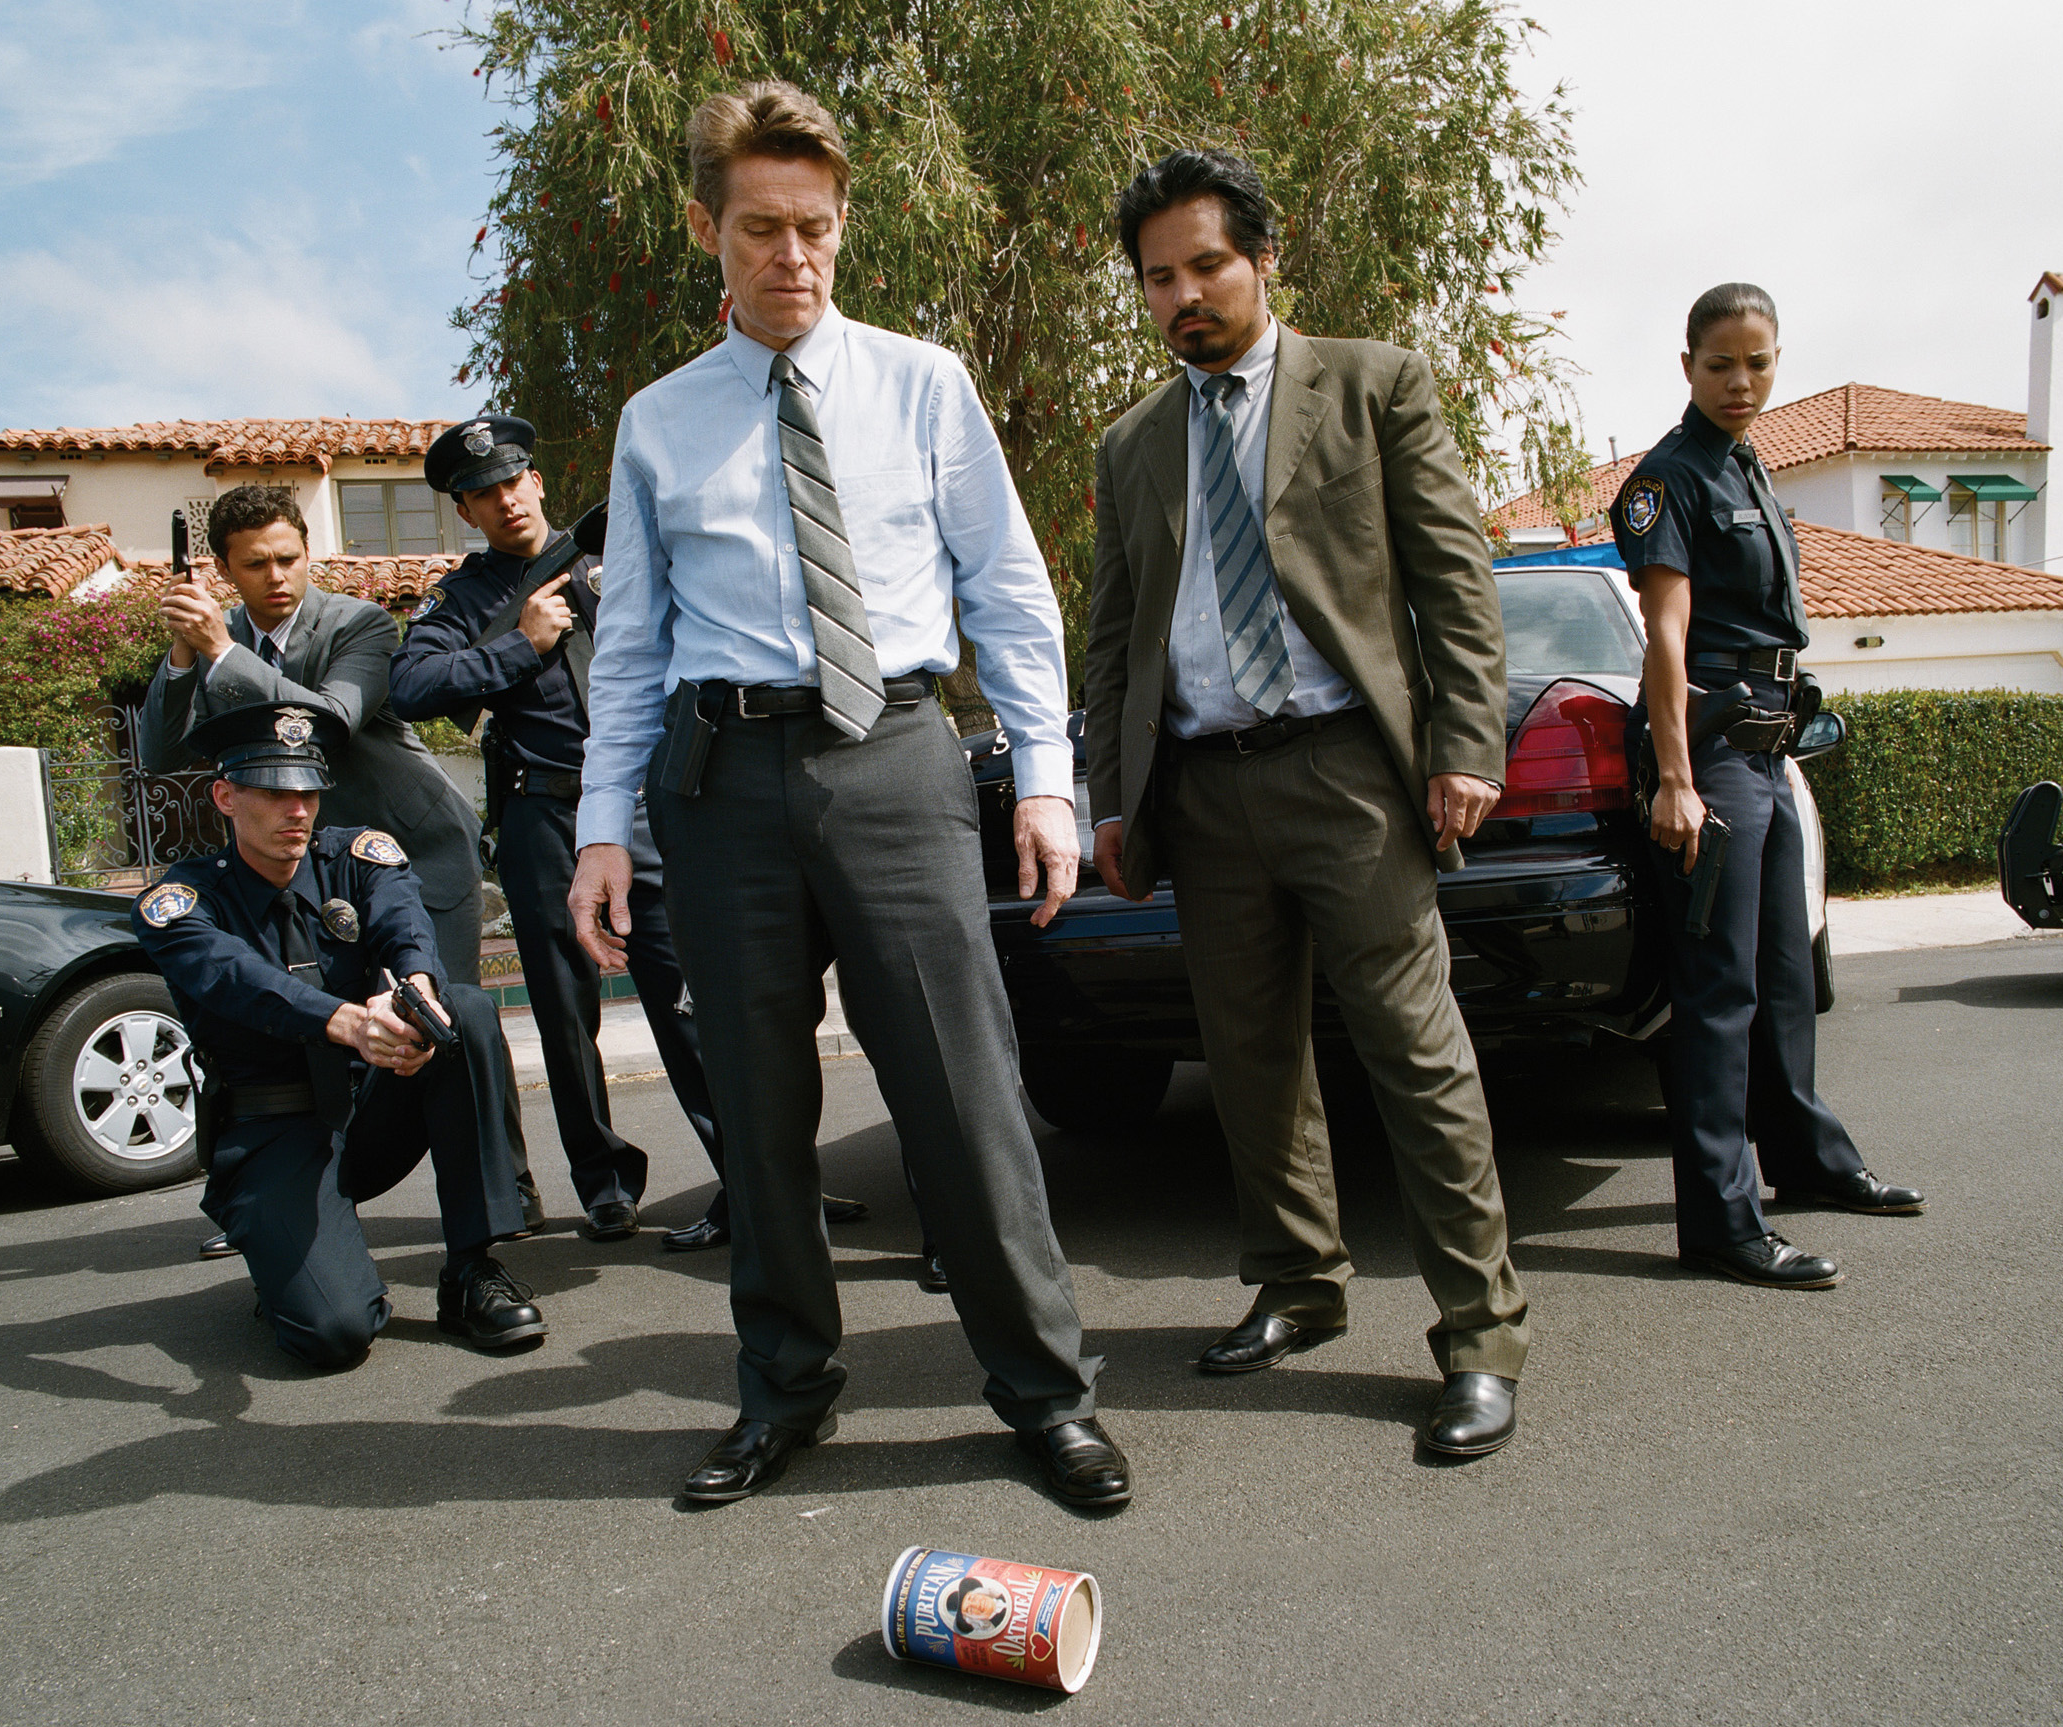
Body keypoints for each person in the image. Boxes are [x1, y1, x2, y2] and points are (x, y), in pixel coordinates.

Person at [568, 81, 1130, 1508]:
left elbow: (1009, 589)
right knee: (756, 1115)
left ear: (840, 225)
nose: (791, 255)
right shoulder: (657, 422)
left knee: (963, 1093)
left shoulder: (921, 384)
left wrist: (1046, 781)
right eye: (760, 227)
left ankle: (1044, 1392)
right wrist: (601, 827)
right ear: (707, 228)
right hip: (720, 783)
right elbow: (628, 645)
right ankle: (783, 1390)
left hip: (895, 756)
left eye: (814, 227)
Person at [1085, 148, 1528, 1459]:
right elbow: (1112, 637)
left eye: (1206, 264)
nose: (1183, 294)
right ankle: (1296, 1282)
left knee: (1415, 1052)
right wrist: (1113, 796)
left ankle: (1479, 1333)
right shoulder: (1133, 444)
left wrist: (1465, 743)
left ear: (1263, 257)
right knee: (1249, 1061)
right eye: (1157, 276)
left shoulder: (1373, 383)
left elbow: (1453, 581)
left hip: (1346, 776)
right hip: (1202, 786)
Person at [388, 416, 868, 1247]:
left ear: (536, 481)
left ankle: (756, 1184)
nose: (504, 501)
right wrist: (519, 647)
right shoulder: (462, 599)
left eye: (513, 481)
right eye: (482, 494)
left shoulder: (613, 558)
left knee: (690, 999)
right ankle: (605, 1184)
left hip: (648, 809)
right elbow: (411, 684)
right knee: (564, 1011)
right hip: (545, 815)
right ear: (464, 512)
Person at [1612, 282, 1925, 1289]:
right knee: (1719, 991)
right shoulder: (1670, 478)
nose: (1740, 382)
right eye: (1719, 365)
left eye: (1757, 363)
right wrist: (1674, 779)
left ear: (1776, 359)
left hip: (1765, 749)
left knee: (1786, 976)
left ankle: (1807, 1160)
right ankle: (1721, 1221)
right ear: (1687, 367)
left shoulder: (1747, 465)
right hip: (1708, 755)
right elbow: (1666, 638)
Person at [146, 484, 509, 1258]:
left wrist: (221, 654)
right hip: (310, 866)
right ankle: (286, 1196)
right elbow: (159, 752)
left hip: (413, 851)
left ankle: (500, 1191)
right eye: (256, 565)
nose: (277, 576)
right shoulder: (214, 633)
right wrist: (183, 652)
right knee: (299, 1026)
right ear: (225, 570)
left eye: (289, 558)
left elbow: (329, 722)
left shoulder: (358, 623)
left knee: (448, 1020)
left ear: (308, 552)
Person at [131, 700, 548, 1369]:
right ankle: (291, 1262)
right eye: (273, 793)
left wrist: (412, 993)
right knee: (333, 1334)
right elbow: (240, 980)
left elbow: (405, 926)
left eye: (308, 792)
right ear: (226, 797)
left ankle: (472, 1268)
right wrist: (349, 1022)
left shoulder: (356, 857)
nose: (297, 810)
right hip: (274, 1132)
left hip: (368, 1115)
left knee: (461, 1010)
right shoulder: (181, 905)